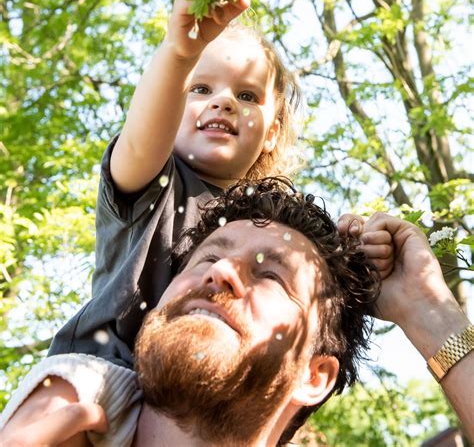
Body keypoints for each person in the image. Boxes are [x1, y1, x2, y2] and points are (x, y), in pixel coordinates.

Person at [2, 179, 472, 445]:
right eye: (206, 258)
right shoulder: (65, 399)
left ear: (315, 375)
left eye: (271, 276)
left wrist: (430, 312)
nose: (222, 271)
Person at [47, 0, 301, 367]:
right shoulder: (154, 181)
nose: (225, 101)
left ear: (272, 134)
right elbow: (139, 144)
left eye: (248, 96)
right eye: (200, 88)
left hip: (192, 400)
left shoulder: (265, 226)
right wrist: (180, 55)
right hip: (105, 373)